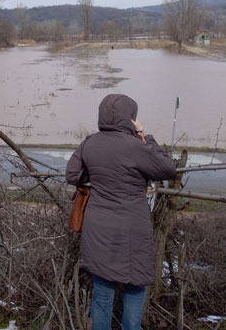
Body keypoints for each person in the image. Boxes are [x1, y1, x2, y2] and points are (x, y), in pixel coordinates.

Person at [66, 94, 176, 330]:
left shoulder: (89, 143)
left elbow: (72, 174)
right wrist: (146, 136)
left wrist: (97, 175)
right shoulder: (136, 146)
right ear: (130, 117)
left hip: (98, 226)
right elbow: (167, 169)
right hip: (132, 227)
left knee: (103, 290)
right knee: (136, 285)